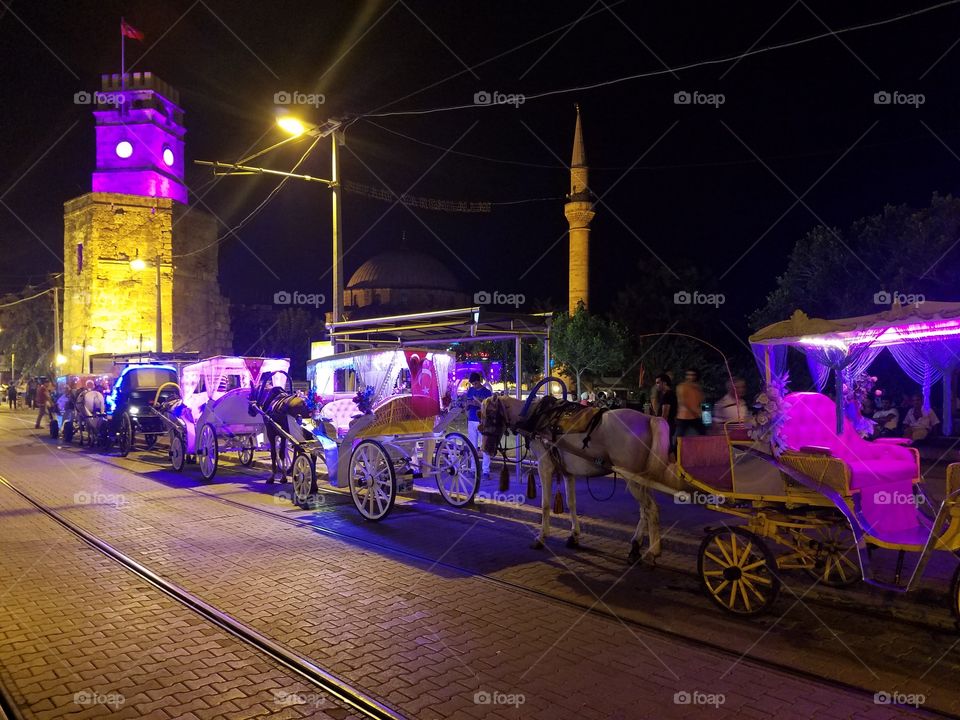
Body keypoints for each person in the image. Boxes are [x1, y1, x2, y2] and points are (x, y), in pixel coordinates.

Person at [464, 372, 492, 480]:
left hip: (482, 421)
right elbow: (466, 406)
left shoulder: (486, 392)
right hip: (471, 420)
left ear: (479, 381)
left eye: (476, 383)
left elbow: (489, 407)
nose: (474, 385)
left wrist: (479, 404)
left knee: (485, 446)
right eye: (473, 384)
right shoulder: (470, 391)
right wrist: (468, 404)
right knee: (472, 446)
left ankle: (486, 470)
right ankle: (473, 469)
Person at [675, 368, 706, 438]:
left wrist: (700, 412)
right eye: (688, 375)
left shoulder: (698, 388)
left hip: (695, 416)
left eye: (693, 375)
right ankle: (675, 448)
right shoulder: (682, 386)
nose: (690, 377)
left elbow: (702, 400)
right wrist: (696, 411)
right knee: (679, 436)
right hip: (684, 416)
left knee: (703, 432)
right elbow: (683, 401)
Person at [653, 374, 677, 439]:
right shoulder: (669, 394)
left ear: (664, 383)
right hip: (669, 425)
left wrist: (660, 428)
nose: (656, 385)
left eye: (658, 383)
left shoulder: (667, 395)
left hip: (666, 426)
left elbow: (665, 415)